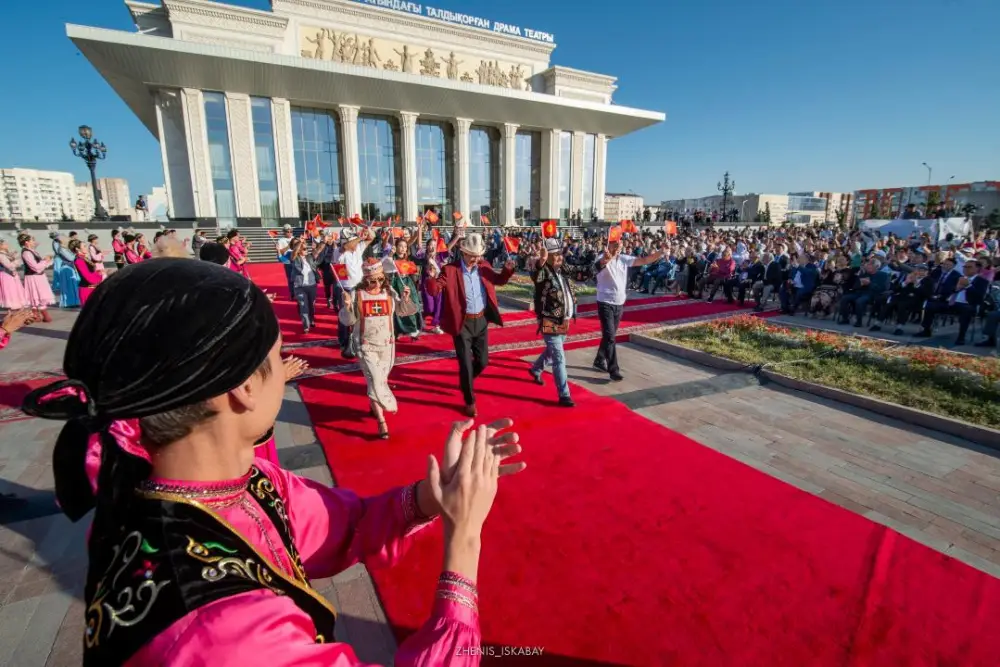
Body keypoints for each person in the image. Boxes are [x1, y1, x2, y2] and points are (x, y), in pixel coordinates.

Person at [21, 258, 526, 666]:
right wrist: (465, 539)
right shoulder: (223, 637)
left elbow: (343, 525)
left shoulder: (211, 484)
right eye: (278, 359)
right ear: (243, 387)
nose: (284, 375)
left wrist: (430, 497)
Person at [425, 233, 516, 417]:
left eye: (478, 255)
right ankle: (470, 400)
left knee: (483, 362)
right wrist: (431, 278)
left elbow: (498, 280)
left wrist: (507, 270)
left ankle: (465, 382)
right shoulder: (450, 270)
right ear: (463, 253)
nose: (476, 259)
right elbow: (434, 290)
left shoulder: (484, 267)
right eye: (472, 255)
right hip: (462, 323)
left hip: (481, 321)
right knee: (466, 364)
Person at [341, 258, 412, 438]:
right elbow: (348, 321)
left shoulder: (389, 292)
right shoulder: (357, 294)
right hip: (365, 346)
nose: (377, 283)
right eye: (373, 280)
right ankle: (382, 422)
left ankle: (374, 404)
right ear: (365, 279)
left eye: (380, 279)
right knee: (375, 380)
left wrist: (405, 298)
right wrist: (348, 306)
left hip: (387, 346)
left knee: (379, 381)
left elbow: (403, 312)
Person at [528, 238, 592, 407]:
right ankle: (564, 395)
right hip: (550, 320)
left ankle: (535, 369)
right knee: (559, 357)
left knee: (552, 351)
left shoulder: (562, 269)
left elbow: (581, 273)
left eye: (560, 254)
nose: (559, 257)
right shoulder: (543, 273)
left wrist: (603, 262)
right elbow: (536, 276)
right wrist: (541, 262)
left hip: (565, 319)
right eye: (555, 254)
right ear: (547, 255)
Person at [592, 237, 665, 382]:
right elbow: (599, 265)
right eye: (616, 244)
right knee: (610, 336)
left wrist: (660, 252)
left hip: (619, 303)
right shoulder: (602, 258)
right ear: (609, 245)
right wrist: (606, 259)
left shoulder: (624, 259)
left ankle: (600, 359)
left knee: (609, 335)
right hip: (605, 302)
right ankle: (614, 370)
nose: (619, 247)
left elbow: (644, 260)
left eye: (620, 245)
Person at [334, 228, 375, 359]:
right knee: (345, 315)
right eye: (353, 240)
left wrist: (368, 231)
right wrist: (359, 237)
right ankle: (343, 341)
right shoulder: (339, 251)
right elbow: (346, 246)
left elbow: (371, 238)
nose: (356, 243)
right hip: (345, 288)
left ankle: (358, 338)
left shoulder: (358, 248)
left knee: (360, 314)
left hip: (359, 287)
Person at [388, 236, 423, 340]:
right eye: (400, 246)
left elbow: (420, 261)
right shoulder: (392, 258)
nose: (403, 248)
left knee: (412, 305)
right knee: (398, 307)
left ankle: (413, 329)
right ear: (396, 247)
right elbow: (386, 263)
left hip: (408, 284)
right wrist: (390, 254)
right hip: (396, 284)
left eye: (405, 246)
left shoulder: (409, 258)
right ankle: (398, 330)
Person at [17, 233, 55, 323]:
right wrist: (45, 261)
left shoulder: (32, 251)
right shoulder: (26, 253)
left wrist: (46, 261)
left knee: (40, 294)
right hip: (33, 277)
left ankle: (36, 315)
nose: (34, 242)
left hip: (39, 276)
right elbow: (35, 267)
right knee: (36, 295)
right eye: (32, 240)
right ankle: (40, 314)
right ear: (27, 242)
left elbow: (39, 265)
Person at [288, 237, 319, 334]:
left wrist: (323, 241)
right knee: (303, 305)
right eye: (304, 249)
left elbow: (319, 250)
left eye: (306, 249)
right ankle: (306, 325)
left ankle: (312, 319)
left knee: (311, 305)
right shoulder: (295, 258)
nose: (306, 250)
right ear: (299, 250)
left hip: (312, 285)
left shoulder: (309, 257)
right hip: (300, 286)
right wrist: (300, 243)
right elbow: (294, 253)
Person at [69, 239, 105, 306]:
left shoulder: (83, 258)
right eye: (84, 246)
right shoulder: (79, 260)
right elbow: (87, 276)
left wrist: (98, 272)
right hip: (87, 290)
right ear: (77, 249)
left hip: (91, 289)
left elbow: (90, 272)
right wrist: (99, 276)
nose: (86, 248)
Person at [51, 233, 81, 308]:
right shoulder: (61, 249)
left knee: (72, 284)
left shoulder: (66, 248)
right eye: (65, 238)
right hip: (66, 268)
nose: (67, 239)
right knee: (69, 285)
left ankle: (74, 301)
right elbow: (71, 258)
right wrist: (78, 253)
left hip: (70, 267)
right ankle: (68, 302)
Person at [0, 238, 28, 312]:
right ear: (0, 246)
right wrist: (17, 260)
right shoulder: (1, 255)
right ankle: (12, 312)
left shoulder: (5, 254)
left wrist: (14, 256)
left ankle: (16, 310)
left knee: (16, 291)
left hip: (11, 275)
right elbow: (9, 265)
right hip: (6, 275)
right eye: (5, 244)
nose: (7, 245)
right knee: (10, 292)